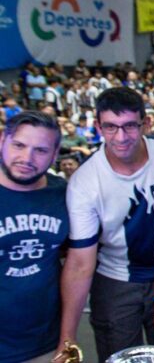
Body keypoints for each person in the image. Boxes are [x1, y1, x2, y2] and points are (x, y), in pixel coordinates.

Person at [57, 87, 154, 361]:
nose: (120, 137)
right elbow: (81, 263)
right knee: (119, 356)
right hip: (117, 281)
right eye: (111, 127)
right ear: (97, 127)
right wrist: (67, 334)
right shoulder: (84, 182)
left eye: (130, 126)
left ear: (146, 123)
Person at [0, 112, 68, 362]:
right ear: (2, 141)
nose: (26, 158)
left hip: (45, 344)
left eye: (40, 150)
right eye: (19, 145)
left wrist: (67, 337)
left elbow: (76, 263)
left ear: (55, 153)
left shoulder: (63, 194)